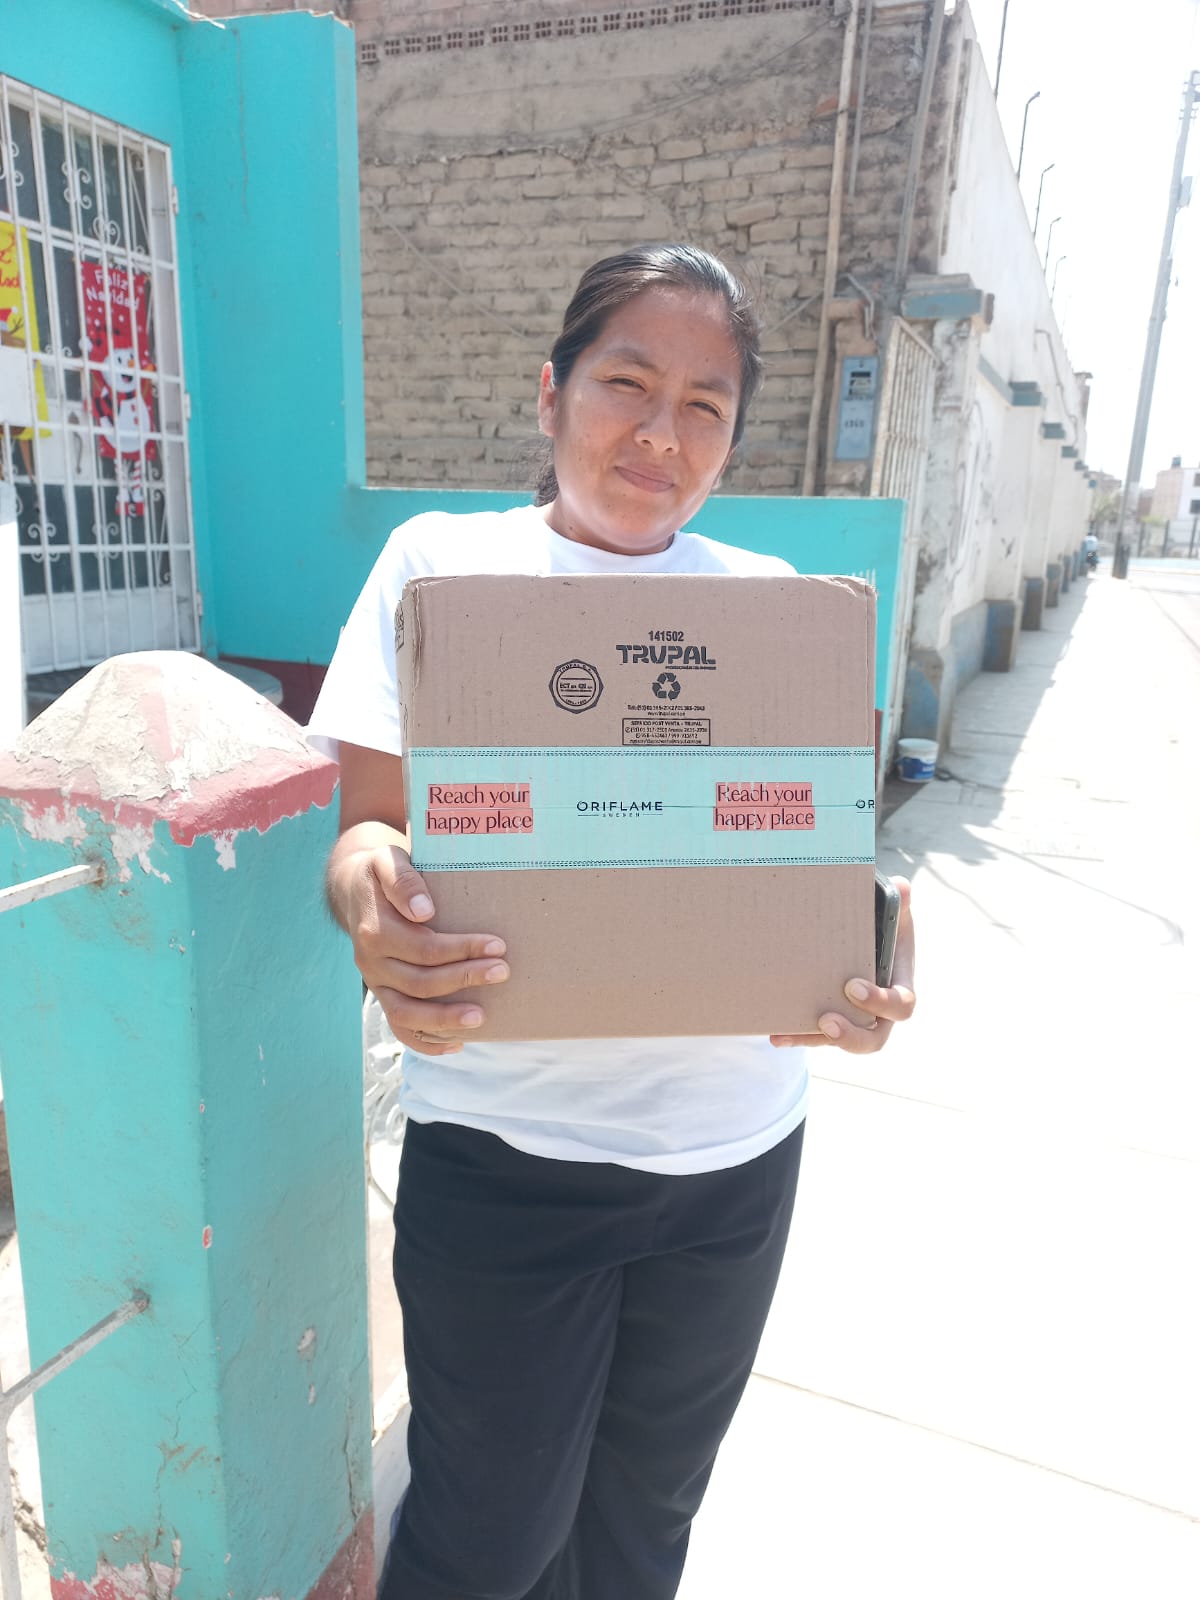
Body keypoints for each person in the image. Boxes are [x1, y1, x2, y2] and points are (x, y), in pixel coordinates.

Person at [308, 244, 916, 1600]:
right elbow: (367, 828)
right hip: (509, 1159)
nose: (662, 434)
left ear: (734, 440)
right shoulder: (443, 570)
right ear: (551, 393)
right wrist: (369, 902)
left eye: (706, 405)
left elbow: (811, 870)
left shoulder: (773, 608)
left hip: (734, 1164)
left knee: (643, 1530)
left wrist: (866, 962)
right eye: (627, 383)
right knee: (487, 1545)